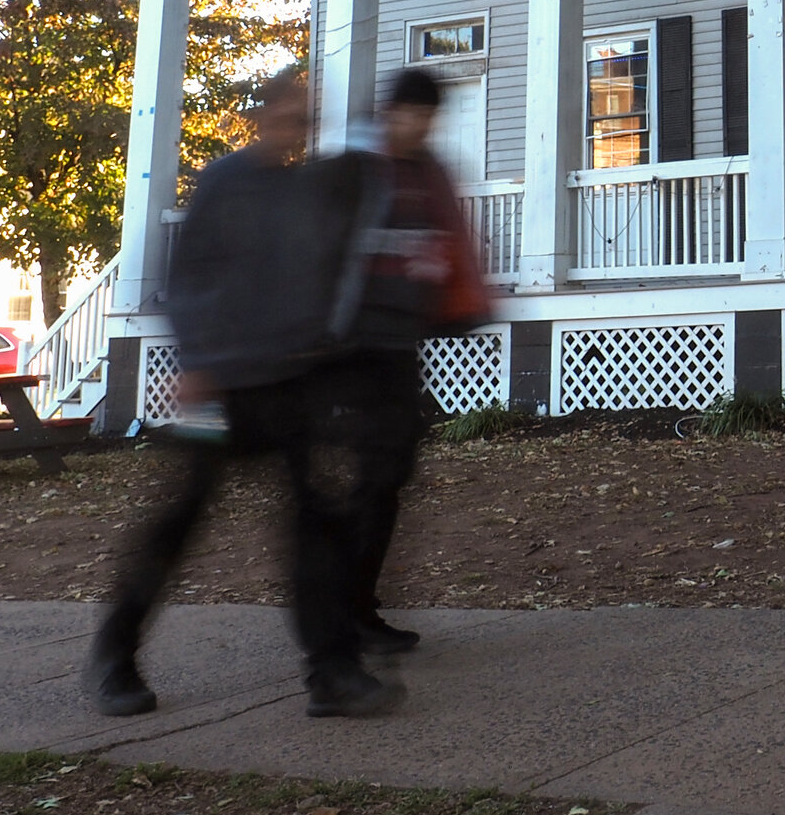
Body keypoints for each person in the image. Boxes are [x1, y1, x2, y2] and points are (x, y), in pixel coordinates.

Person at [88, 68, 398, 720]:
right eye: (289, 108)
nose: (299, 122)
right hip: (217, 388)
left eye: (308, 114)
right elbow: (189, 275)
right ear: (263, 114)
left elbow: (319, 277)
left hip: (287, 383)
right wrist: (198, 358)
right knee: (181, 521)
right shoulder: (225, 180)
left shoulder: (303, 190)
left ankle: (332, 672)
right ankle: (115, 657)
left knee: (315, 524)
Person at [311, 66, 491, 659]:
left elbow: (451, 239)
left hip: (399, 345)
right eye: (413, 114)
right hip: (349, 346)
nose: (421, 126)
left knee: (386, 478)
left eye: (430, 117)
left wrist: (465, 302)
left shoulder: (430, 174)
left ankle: (357, 606)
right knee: (368, 478)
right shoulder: (356, 170)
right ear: (392, 113)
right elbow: (319, 250)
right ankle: (341, 612)